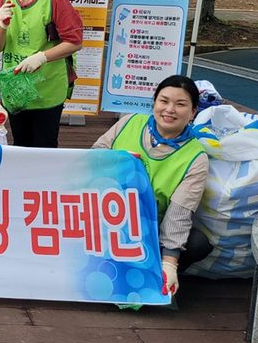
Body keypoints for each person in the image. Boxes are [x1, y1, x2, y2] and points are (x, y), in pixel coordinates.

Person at [91, 75, 212, 295]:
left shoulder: (196, 158)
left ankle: (153, 276)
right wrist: (116, 161)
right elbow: (92, 159)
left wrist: (170, 263)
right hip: (103, 217)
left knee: (198, 243)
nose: (170, 110)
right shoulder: (129, 123)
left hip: (148, 230)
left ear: (193, 112)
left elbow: (179, 214)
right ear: (154, 103)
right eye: (163, 101)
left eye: (181, 104)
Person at [0, 0, 83, 148]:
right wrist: (2, 25)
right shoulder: (4, 1)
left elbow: (75, 42)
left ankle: (45, 183)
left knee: (45, 145)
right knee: (20, 143)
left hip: (47, 88)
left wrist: (42, 57)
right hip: (15, 89)